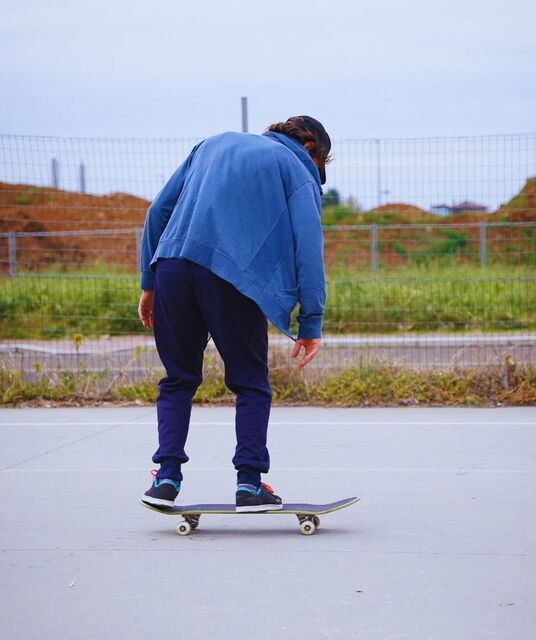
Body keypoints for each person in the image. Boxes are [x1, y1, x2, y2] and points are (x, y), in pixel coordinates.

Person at [138, 115, 331, 511]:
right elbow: (309, 246)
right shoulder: (295, 166)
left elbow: (158, 211)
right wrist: (310, 321)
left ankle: (166, 478)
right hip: (232, 279)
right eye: (321, 164)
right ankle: (249, 484)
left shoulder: (211, 144)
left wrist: (149, 281)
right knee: (250, 382)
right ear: (310, 146)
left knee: (177, 379)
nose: (318, 173)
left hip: (172, 266)